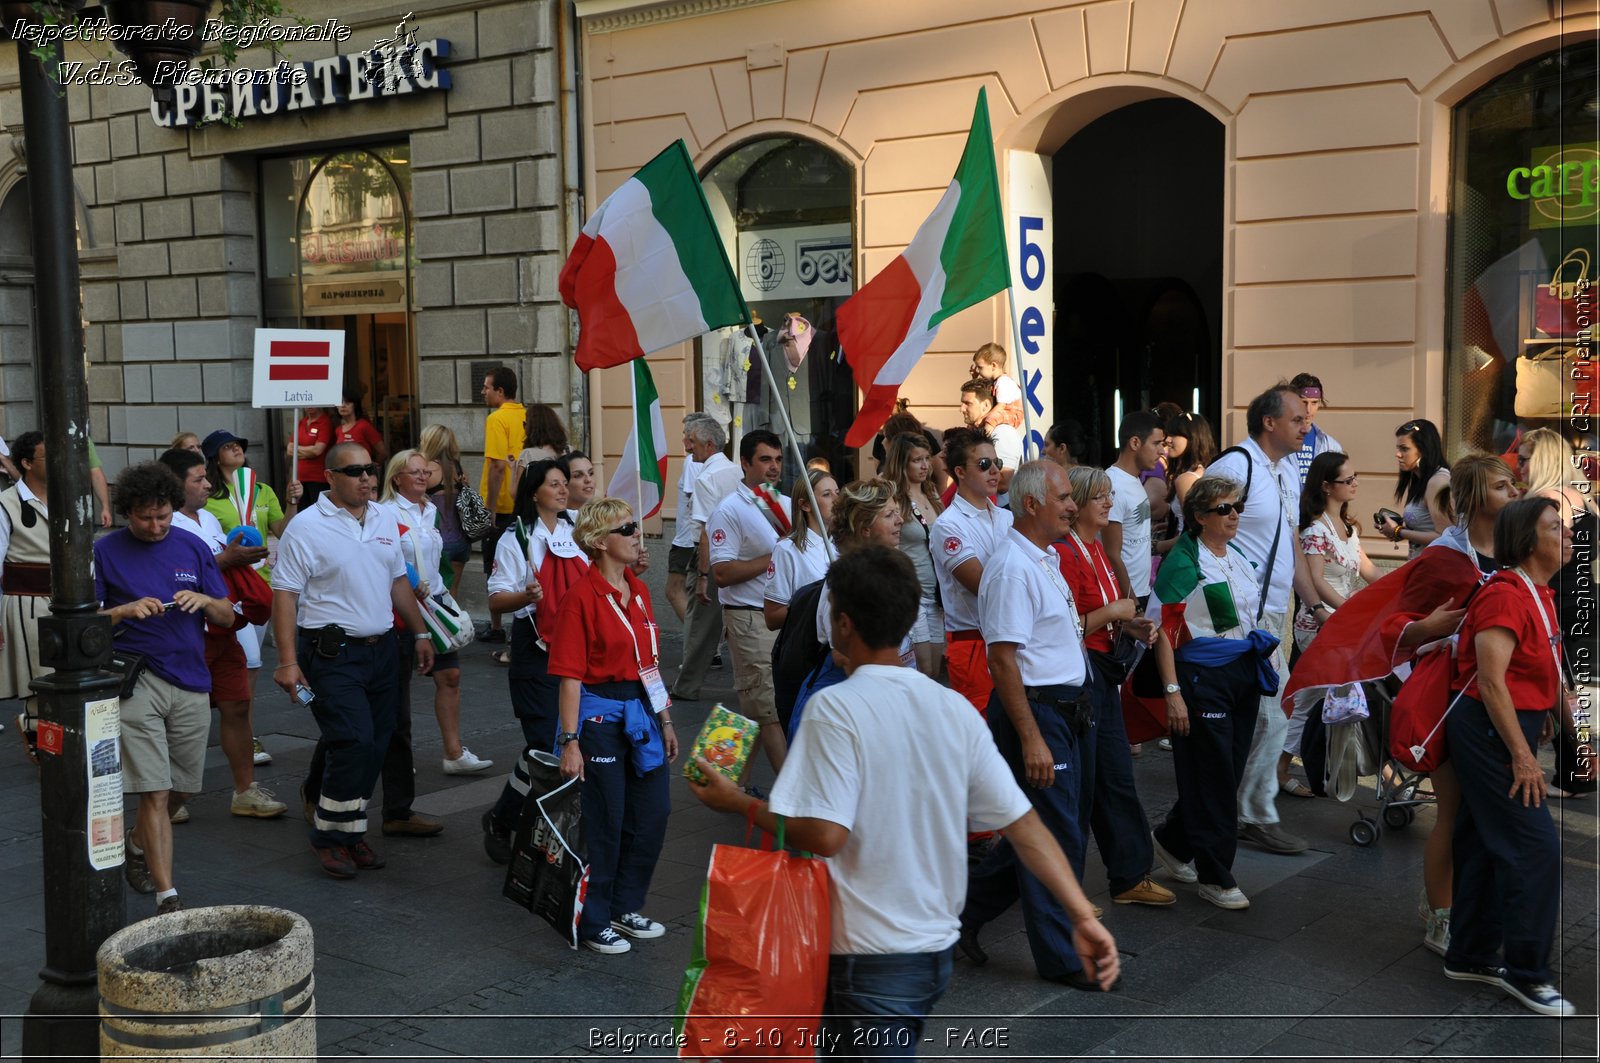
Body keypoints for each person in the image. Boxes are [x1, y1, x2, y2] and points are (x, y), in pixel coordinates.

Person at [688, 545, 1119, 1056]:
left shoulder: (835, 707)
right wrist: (1081, 914)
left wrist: (739, 803)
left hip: (866, 954)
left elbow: (825, 834)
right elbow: (1026, 828)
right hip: (930, 951)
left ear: (843, 623)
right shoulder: (951, 708)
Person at [1286, 453, 1518, 955]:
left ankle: (1472, 909)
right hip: (1453, 700)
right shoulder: (1443, 557)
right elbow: (1397, 626)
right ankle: (1439, 914)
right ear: (1476, 499)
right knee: (1454, 812)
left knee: (1488, 817)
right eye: (1503, 486)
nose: (1514, 493)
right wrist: (1427, 629)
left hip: (1503, 696)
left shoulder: (1514, 550)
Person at [960, 461, 1107, 988]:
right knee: (1055, 836)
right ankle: (1064, 959)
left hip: (1068, 711)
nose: (1074, 505)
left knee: (1042, 832)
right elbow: (1003, 661)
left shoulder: (1044, 557)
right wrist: (1031, 737)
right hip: (1039, 714)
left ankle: (959, 917)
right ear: (1031, 505)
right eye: (1065, 497)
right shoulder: (1011, 568)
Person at [271, 442, 436, 879]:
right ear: (329, 477)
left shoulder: (384, 516)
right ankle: (329, 835)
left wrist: (419, 631)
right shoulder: (305, 528)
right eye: (355, 471)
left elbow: (397, 578)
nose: (366, 478)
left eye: (371, 470)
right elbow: (284, 595)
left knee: (378, 744)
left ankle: (350, 828)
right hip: (331, 653)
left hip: (382, 649)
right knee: (354, 740)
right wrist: (288, 662)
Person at [1442, 497, 1580, 1017]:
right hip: (1487, 730)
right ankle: (1528, 973)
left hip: (1509, 725)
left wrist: (1551, 718)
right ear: (1527, 542)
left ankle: (1470, 953)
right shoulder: (1504, 595)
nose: (1567, 535)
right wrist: (1524, 757)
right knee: (1536, 848)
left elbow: (1540, 671)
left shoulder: (1538, 592)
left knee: (1482, 840)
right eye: (1555, 528)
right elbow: (1491, 682)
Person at [97, 462, 237, 914]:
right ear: (126, 513)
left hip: (192, 678)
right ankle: (166, 894)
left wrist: (207, 601)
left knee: (182, 789)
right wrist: (125, 610)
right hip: (136, 679)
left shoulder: (193, 546)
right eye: (144, 518)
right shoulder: (106, 551)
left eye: (161, 515)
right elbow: (82, 621)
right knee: (154, 791)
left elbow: (227, 616)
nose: (155, 526)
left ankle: (138, 842)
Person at [1146, 474, 1282, 909]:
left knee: (1225, 770)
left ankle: (1171, 839)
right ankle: (1216, 875)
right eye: (1224, 509)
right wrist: (1172, 692)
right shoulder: (1185, 562)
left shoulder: (1237, 554)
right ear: (1200, 516)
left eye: (1236, 506)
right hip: (1202, 677)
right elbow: (1162, 631)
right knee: (1216, 776)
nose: (1234, 515)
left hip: (1240, 671)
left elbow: (1242, 614)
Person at [552, 497, 676, 955]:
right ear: (600, 542)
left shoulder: (638, 590)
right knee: (607, 820)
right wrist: (570, 741)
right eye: (626, 529)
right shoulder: (580, 598)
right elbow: (569, 676)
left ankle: (625, 905)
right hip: (599, 717)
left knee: (653, 814)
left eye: (634, 526)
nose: (636, 534)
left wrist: (664, 717)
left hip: (641, 710)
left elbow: (650, 664)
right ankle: (594, 918)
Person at [1206, 384, 1318, 856]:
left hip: (1274, 611)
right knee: (1270, 718)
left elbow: (1290, 540)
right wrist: (1224, 608)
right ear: (1269, 422)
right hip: (1238, 614)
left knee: (1265, 715)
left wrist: (1312, 604)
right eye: (1297, 419)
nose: (1306, 425)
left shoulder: (1287, 468)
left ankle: (1227, 810)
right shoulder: (1236, 466)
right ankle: (1249, 814)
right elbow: (1203, 531)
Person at [1056, 466, 1172, 908]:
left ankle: (1129, 874)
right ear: (1078, 503)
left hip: (1103, 671)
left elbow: (1104, 614)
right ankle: (1068, 884)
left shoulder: (1098, 549)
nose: (1108, 503)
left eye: (1109, 496)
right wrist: (1115, 614)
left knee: (1115, 775)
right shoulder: (1066, 553)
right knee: (1089, 783)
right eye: (1100, 497)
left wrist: (1131, 626)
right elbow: (1064, 626)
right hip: (1081, 675)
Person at [157, 446, 285, 819]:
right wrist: (226, 560)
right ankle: (166, 795)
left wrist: (238, 558)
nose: (208, 484)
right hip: (185, 634)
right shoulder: (164, 523)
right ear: (174, 485)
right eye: (198, 479)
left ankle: (245, 790)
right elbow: (170, 575)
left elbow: (216, 568)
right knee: (178, 717)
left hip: (222, 627)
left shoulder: (207, 520)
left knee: (238, 704)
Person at [479, 458, 586, 863]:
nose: (562, 490)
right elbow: (496, 599)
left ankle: (516, 820)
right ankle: (508, 819)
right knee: (545, 743)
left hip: (575, 645)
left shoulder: (578, 528)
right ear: (535, 492)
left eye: (565, 482)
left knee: (561, 744)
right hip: (535, 645)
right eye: (554, 484)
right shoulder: (517, 537)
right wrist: (527, 596)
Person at [380, 449, 490, 776]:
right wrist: (409, 583)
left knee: (450, 675)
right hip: (401, 607)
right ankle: (395, 758)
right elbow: (383, 560)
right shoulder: (385, 513)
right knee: (397, 687)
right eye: (413, 472)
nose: (422, 476)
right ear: (396, 477)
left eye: (425, 471)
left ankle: (453, 752)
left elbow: (436, 559)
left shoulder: (431, 510)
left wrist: (444, 589)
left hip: (434, 603)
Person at [201, 429, 299, 769]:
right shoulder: (207, 496)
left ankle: (236, 721)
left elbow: (282, 532)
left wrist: (291, 502)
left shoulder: (261, 489)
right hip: (229, 587)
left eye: (239, 445)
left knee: (244, 665)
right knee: (253, 661)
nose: (236, 449)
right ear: (214, 456)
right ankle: (245, 731)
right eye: (227, 447)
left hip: (260, 586)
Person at [1517, 427, 1597, 798]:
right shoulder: (1584, 498)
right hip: (1582, 599)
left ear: (1544, 460)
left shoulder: (1546, 502)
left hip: (1555, 601)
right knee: (1570, 688)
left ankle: (1575, 773)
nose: (1520, 467)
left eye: (1525, 459)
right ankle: (1579, 770)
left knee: (1560, 688)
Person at [707, 429, 792, 773]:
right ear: (745, 463)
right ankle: (791, 798)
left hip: (784, 614)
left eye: (778, 459)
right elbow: (722, 574)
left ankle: (718, 776)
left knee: (758, 707)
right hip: (749, 616)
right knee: (767, 708)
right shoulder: (729, 510)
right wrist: (776, 554)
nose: (774, 467)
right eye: (765, 459)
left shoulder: (784, 503)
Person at [929, 429, 1012, 714]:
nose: (994, 471)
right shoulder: (948, 525)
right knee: (982, 740)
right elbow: (983, 585)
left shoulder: (1007, 517)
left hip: (1010, 638)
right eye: (984, 465)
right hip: (973, 643)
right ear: (960, 472)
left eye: (996, 463)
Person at [673, 417, 738, 702]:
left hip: (712, 557)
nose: (689, 448)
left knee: (700, 624)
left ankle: (686, 686)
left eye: (693, 443)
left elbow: (704, 532)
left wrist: (701, 575)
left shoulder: (706, 477)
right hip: (737, 555)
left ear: (708, 445)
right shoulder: (736, 471)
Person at [0, 432, 52, 750]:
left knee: (70, 678)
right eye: (48, 457)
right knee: (41, 683)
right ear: (26, 463)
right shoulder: (5, 504)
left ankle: (53, 743)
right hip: (26, 603)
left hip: (72, 601)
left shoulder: (71, 498)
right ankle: (42, 745)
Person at [882, 432, 946, 677]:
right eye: (917, 460)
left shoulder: (932, 493)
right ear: (901, 463)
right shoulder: (895, 499)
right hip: (912, 594)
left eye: (927, 458)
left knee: (936, 673)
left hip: (937, 595)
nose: (925, 465)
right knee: (922, 670)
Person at [479, 366, 526, 644]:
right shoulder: (527, 415)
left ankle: (496, 627)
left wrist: (491, 509)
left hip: (504, 505)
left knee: (494, 566)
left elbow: (497, 467)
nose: (483, 392)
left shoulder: (497, 419)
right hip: (522, 500)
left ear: (500, 391)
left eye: (487, 387)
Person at [1104, 410, 1169, 603]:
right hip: (1126, 597)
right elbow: (1111, 553)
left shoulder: (1134, 480)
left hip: (1142, 591)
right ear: (1134, 443)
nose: (1162, 451)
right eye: (1156, 443)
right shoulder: (1113, 484)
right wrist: (1133, 603)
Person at [763, 468, 837, 632]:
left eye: (837, 492)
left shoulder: (842, 545)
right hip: (807, 647)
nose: (837, 500)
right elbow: (772, 616)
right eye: (827, 494)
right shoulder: (787, 550)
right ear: (805, 505)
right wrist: (821, 608)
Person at [665, 414, 714, 624]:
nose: (684, 441)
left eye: (687, 435)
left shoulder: (693, 461)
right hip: (695, 537)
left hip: (688, 539)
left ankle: (700, 643)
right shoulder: (714, 461)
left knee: (674, 590)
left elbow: (693, 499)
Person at [1377, 419, 1450, 557]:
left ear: (1424, 449)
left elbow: (1445, 537)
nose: (1397, 454)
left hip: (1435, 569)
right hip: (1422, 566)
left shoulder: (1438, 482)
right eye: (1398, 448)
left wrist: (1398, 531)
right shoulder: (1420, 479)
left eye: (1404, 449)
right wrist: (1396, 529)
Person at [418, 423, 471, 592]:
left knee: (436, 592)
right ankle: (455, 619)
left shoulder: (426, 471)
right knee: (452, 592)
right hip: (461, 541)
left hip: (438, 541)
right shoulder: (458, 468)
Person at [958, 381, 1020, 504]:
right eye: (962, 403)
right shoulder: (976, 431)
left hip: (1001, 510)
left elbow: (1003, 483)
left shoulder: (1003, 431)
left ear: (986, 405)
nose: (961, 409)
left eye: (967, 403)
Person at [1288, 373, 1345, 488]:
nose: (1309, 410)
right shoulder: (1275, 442)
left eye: (1314, 402)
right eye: (1304, 402)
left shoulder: (1330, 446)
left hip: (1315, 505)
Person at [511, 402, 570, 496]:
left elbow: (516, 494)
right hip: (566, 507)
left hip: (541, 508)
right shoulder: (568, 450)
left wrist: (513, 468)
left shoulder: (528, 455)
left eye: (525, 424)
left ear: (530, 428)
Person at [1165, 411, 1217, 514]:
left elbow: (1194, 524)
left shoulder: (1186, 478)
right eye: (1168, 434)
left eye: (1174, 435)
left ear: (1192, 438)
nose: (1167, 440)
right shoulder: (1207, 470)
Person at [970, 342, 1025, 430]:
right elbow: (980, 392)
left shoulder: (1003, 382)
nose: (978, 371)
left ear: (993, 366)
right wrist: (974, 378)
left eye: (980, 367)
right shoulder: (994, 381)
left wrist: (983, 419)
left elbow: (1001, 406)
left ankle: (987, 436)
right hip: (1002, 412)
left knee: (991, 419)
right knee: (974, 422)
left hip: (1012, 414)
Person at [290, 407, 335, 509]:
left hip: (318, 479)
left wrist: (296, 449)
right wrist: (309, 451)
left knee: (319, 512)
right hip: (299, 479)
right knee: (302, 512)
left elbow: (317, 450)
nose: (309, 406)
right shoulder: (302, 422)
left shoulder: (325, 422)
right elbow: (289, 449)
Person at [335, 389, 388, 466]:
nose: (343, 405)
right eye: (340, 402)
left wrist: (372, 467)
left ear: (355, 405)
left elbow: (383, 452)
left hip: (362, 473)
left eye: (348, 402)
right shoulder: (338, 430)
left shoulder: (364, 426)